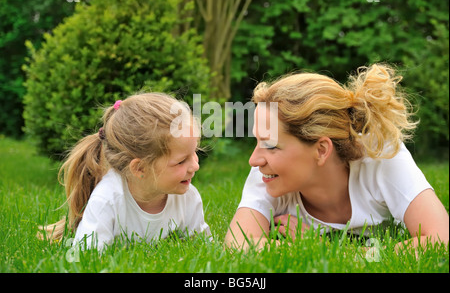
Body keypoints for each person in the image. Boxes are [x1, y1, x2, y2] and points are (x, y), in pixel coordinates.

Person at [225, 64, 449, 251]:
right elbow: (237, 244)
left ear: (321, 150)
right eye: (257, 142)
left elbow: (441, 239)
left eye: (271, 145)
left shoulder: (382, 155)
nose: (254, 160)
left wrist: (323, 248)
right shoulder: (268, 173)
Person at [39, 93, 210, 250]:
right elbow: (87, 258)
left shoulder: (188, 197)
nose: (195, 165)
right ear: (140, 168)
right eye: (181, 161)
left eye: (194, 153)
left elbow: (203, 248)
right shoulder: (107, 201)